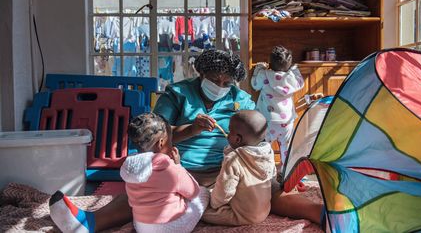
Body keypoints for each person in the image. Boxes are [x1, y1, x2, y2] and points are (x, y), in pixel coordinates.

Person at [48, 49, 323, 233]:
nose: (221, 85)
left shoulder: (239, 98)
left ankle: (323, 214)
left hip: (226, 172)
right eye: (215, 79)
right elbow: (156, 136)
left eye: (227, 81)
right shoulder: (179, 93)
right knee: (140, 196)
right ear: (201, 74)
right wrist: (192, 129)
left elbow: (255, 132)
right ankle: (88, 222)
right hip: (181, 171)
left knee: (269, 191)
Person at [49, 113, 209, 233]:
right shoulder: (169, 168)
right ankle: (88, 223)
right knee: (201, 194)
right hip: (172, 224)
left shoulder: (129, 166)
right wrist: (178, 165)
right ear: (162, 143)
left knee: (139, 197)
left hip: (141, 226)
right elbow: (193, 191)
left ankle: (85, 223)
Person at [202, 110, 276, 225]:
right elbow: (272, 176)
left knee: (198, 208)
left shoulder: (233, 159)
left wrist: (211, 203)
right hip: (264, 211)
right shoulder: (268, 152)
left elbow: (224, 193)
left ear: (237, 139)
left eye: (230, 130)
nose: (227, 133)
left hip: (241, 216)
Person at [251, 45, 304, 170]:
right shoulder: (291, 78)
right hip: (287, 121)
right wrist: (294, 69)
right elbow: (300, 81)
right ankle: (286, 170)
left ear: (270, 63)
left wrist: (259, 68)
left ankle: (267, 171)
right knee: (285, 147)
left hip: (267, 120)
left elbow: (255, 85)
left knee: (265, 148)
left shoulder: (265, 74)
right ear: (288, 65)